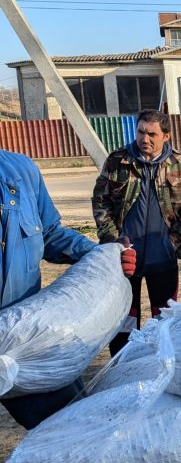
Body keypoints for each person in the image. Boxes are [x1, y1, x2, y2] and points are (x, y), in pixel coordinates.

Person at [0, 148, 133, 429]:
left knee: (73, 429)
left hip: (27, 338)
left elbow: (50, 234)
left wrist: (104, 255)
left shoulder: (20, 170)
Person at [92, 109, 181, 355]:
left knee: (163, 321)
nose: (145, 139)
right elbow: (100, 202)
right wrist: (113, 240)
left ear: (166, 136)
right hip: (124, 261)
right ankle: (122, 367)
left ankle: (158, 366)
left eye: (152, 134)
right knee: (123, 321)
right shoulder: (117, 161)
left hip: (163, 258)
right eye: (141, 132)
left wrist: (174, 240)